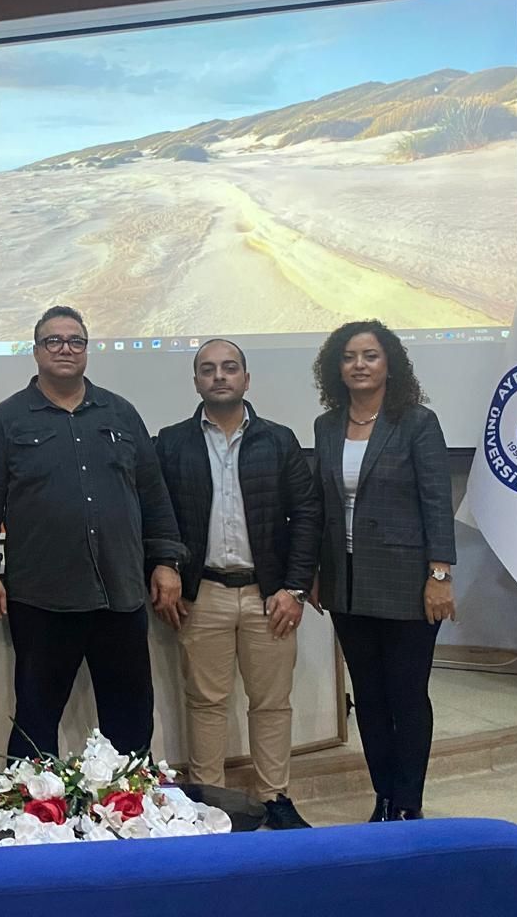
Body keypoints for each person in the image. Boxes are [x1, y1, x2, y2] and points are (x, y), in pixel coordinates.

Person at [0, 305, 186, 760]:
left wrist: (166, 562)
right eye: (53, 340)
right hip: (42, 597)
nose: (65, 349)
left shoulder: (121, 413)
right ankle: (32, 803)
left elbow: (153, 494)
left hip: (119, 593)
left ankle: (129, 799)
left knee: (130, 720)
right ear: (36, 351)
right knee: (35, 720)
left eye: (75, 341)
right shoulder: (6, 419)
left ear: (86, 350)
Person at [154, 338, 322, 830]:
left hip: (269, 595)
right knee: (205, 703)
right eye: (208, 369)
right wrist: (165, 566)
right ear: (196, 382)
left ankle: (275, 797)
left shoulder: (279, 440)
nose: (219, 376)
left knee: (271, 704)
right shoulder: (172, 443)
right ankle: (211, 800)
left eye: (229, 368)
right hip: (201, 593)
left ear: (246, 379)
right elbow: (157, 515)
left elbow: (307, 514)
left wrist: (295, 588)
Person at [311, 319, 455, 822]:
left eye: (370, 355)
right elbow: (322, 505)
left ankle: (408, 803)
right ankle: (384, 797)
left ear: (389, 364)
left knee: (406, 696)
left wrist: (439, 575)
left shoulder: (416, 422)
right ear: (336, 368)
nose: (359, 365)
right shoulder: (326, 426)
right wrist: (316, 570)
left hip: (407, 584)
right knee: (370, 698)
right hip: (347, 583)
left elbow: (436, 502)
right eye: (349, 356)